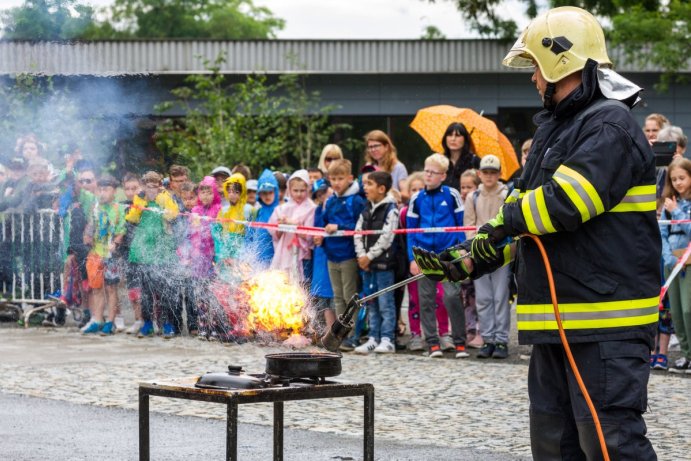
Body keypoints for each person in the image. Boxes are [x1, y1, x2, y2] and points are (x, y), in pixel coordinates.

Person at [415, 7, 659, 459]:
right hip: (556, 323)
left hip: (604, 324)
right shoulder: (560, 128)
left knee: (611, 447)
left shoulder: (609, 125)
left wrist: (506, 222)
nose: (531, 78)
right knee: (555, 447)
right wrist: (471, 257)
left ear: (559, 61)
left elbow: (567, 201)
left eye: (534, 67)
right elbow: (526, 223)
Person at [407, 153, 468, 359]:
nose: (428, 175)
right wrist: (412, 258)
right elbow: (410, 232)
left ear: (443, 175)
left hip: (449, 255)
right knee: (426, 300)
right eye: (426, 171)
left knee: (451, 296)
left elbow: (461, 226)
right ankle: (432, 343)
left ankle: (460, 342)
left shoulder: (452, 195)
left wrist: (461, 252)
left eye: (433, 172)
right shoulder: (416, 199)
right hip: (425, 255)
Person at [313, 159, 366, 351]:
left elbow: (360, 227)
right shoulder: (331, 201)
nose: (336, 182)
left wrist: (340, 227)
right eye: (333, 179)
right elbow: (324, 224)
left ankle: (353, 334)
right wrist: (321, 238)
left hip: (349, 256)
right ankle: (340, 334)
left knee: (349, 296)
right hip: (331, 255)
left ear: (350, 178)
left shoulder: (357, 200)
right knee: (337, 297)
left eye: (340, 178)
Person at [463, 155, 510, 358]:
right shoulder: (473, 196)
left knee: (500, 296)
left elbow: (508, 222)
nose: (489, 176)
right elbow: (469, 225)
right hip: (479, 253)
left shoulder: (506, 194)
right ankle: (488, 338)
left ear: (499, 174)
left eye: (493, 172)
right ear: (479, 174)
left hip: (501, 252)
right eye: (485, 172)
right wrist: (473, 248)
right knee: (483, 298)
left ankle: (501, 340)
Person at [399, 172, 451, 352]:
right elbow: (408, 237)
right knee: (415, 299)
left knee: (439, 297)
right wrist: (412, 260)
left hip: (436, 257)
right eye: (414, 189)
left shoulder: (436, 205)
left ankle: (443, 332)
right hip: (416, 260)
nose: (418, 192)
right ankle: (415, 334)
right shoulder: (406, 212)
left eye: (421, 189)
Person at [126, 171, 180, 338]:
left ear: (159, 186)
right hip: (144, 250)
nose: (151, 189)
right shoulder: (139, 198)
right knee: (147, 291)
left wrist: (159, 201)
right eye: (148, 186)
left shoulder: (165, 197)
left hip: (162, 249)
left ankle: (167, 323)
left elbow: (173, 214)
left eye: (154, 186)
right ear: (144, 186)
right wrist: (140, 203)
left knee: (164, 289)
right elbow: (133, 218)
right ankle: (148, 323)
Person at [353, 171, 399, 354]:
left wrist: (369, 256)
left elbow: (387, 238)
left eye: (369, 184)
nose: (365, 187)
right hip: (367, 265)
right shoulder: (365, 209)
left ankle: (388, 338)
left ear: (381, 189)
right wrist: (361, 256)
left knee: (385, 302)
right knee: (371, 301)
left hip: (383, 265)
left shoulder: (391, 209)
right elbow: (357, 233)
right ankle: (373, 337)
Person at [82, 175, 126, 335]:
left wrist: (115, 243)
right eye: (100, 190)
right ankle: (97, 319)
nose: (102, 193)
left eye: (106, 190)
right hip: (95, 253)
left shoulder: (118, 208)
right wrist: (87, 235)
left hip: (110, 255)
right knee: (96, 288)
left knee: (111, 288)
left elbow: (121, 230)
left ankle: (110, 321)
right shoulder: (95, 207)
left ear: (114, 191)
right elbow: (90, 225)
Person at [659, 157, 691, 373]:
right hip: (672, 263)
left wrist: (678, 212)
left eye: (682, 178)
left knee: (689, 310)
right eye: (674, 179)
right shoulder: (668, 202)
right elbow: (661, 233)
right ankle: (687, 355)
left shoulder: (681, 206)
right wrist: (668, 257)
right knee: (677, 313)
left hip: (688, 263)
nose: (678, 183)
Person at [187, 176, 223, 338]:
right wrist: (191, 254)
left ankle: (214, 325)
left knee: (214, 293)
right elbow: (191, 233)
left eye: (209, 192)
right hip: (198, 259)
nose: (205, 196)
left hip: (213, 257)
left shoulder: (219, 210)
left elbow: (221, 234)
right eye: (202, 192)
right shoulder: (195, 211)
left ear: (214, 192)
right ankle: (202, 325)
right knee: (200, 295)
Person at [269, 169, 316, 283]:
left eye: (302, 190)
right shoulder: (282, 208)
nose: (299, 194)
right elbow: (275, 235)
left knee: (302, 284)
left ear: (308, 189)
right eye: (295, 190)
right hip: (285, 253)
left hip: (303, 255)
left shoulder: (312, 208)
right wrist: (280, 226)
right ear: (289, 190)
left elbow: (309, 235)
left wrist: (292, 224)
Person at [459, 169, 482, 348]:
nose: (465, 190)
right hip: (460, 257)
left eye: (469, 186)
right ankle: (469, 329)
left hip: (476, 256)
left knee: (479, 297)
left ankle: (481, 330)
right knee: (466, 296)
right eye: (462, 187)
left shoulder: (476, 201)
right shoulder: (457, 204)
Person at [310, 178, 336, 335]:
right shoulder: (318, 210)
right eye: (319, 194)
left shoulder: (336, 207)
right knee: (322, 294)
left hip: (334, 254)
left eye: (325, 192)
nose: (323, 196)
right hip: (320, 255)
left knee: (334, 295)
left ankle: (336, 330)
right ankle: (328, 330)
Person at [120, 173, 144, 334]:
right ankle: (138, 319)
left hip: (145, 252)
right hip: (128, 253)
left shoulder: (146, 205)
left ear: (141, 188)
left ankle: (153, 321)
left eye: (134, 188)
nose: (131, 192)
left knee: (149, 289)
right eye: (127, 189)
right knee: (133, 288)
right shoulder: (122, 206)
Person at [252, 169, 280, 266]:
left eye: (270, 192)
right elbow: (251, 235)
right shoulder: (258, 212)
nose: (267, 196)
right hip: (259, 259)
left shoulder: (280, 211)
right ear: (259, 194)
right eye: (264, 193)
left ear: (275, 191)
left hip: (277, 258)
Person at [441, 122, 480, 190]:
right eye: (450, 135)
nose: (453, 139)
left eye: (457, 135)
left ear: (465, 139)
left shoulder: (474, 161)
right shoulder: (440, 161)